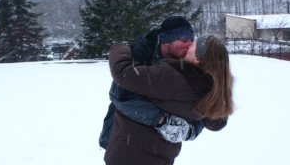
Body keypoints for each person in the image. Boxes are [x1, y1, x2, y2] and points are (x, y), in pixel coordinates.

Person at [104, 34, 234, 165]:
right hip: (160, 157)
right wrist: (190, 130)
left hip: (129, 156)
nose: (188, 45)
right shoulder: (211, 90)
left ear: (196, 58)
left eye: (192, 45)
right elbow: (216, 123)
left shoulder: (175, 77)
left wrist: (119, 46)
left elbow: (124, 73)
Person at [99, 16, 204, 150]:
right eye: (184, 40)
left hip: (159, 149)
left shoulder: (188, 62)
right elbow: (120, 96)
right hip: (122, 138)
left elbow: (202, 102)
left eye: (191, 39)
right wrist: (161, 120)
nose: (190, 45)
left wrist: (192, 130)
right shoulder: (141, 54)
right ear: (166, 42)